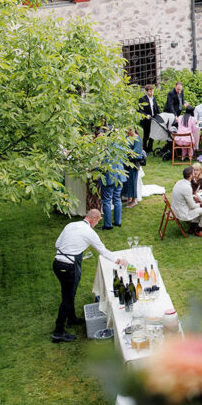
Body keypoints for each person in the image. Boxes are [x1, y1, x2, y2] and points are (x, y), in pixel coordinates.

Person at [51, 209, 127, 343]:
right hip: (68, 266)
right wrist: (118, 260)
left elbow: (57, 244)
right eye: (97, 221)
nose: (97, 224)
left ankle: (72, 318)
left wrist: (74, 250)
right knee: (67, 298)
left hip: (57, 264)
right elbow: (103, 251)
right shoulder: (89, 232)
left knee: (68, 293)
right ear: (93, 220)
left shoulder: (71, 225)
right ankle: (58, 332)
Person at [170, 166, 202, 237]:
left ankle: (192, 228)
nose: (195, 173)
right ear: (190, 176)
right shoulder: (187, 187)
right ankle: (199, 230)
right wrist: (200, 205)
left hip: (175, 209)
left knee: (199, 207)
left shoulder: (179, 182)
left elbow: (184, 196)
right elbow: (192, 206)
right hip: (182, 213)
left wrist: (193, 197)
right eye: (193, 172)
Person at [97, 139, 125, 230]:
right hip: (120, 176)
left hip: (109, 177)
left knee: (106, 201)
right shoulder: (120, 145)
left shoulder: (104, 148)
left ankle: (108, 225)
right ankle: (118, 222)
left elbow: (102, 165)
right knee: (117, 199)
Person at [123, 126, 145, 209]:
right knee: (127, 181)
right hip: (126, 163)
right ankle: (128, 198)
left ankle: (134, 200)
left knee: (133, 181)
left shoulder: (137, 138)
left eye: (129, 130)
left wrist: (127, 152)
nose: (128, 131)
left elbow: (137, 150)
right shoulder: (127, 137)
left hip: (133, 163)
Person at [137, 83, 159, 152]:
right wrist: (146, 115)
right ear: (146, 91)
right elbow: (139, 110)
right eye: (150, 91)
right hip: (146, 119)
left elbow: (156, 107)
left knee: (152, 134)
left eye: (152, 91)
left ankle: (150, 147)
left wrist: (160, 114)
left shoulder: (154, 98)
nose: (151, 93)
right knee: (146, 134)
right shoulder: (142, 99)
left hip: (153, 118)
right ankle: (145, 148)